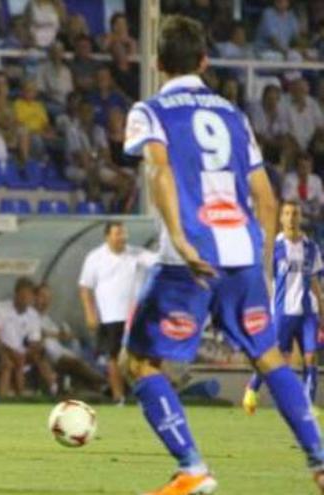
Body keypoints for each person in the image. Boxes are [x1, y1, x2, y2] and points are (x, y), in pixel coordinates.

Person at [123, 15, 324, 494]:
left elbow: (160, 173)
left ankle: (192, 467)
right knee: (269, 357)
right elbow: (266, 196)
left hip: (187, 260)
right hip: (243, 254)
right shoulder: (233, 115)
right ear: (205, 61)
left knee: (140, 364)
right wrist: (265, 266)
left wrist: (183, 238)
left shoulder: (150, 111)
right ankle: (319, 460)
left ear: (156, 62)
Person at [244, 201, 324, 415]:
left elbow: (315, 280)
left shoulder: (311, 248)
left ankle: (306, 404)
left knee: (310, 356)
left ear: (300, 218)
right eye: (287, 214)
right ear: (281, 218)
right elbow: (262, 279)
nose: (291, 218)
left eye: (295, 214)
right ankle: (252, 388)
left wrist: (323, 310)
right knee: (274, 356)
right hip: (281, 312)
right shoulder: (274, 249)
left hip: (308, 312)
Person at [79, 222, 155, 404]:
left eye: (124, 233)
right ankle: (118, 397)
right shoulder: (95, 257)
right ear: (107, 236)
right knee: (112, 357)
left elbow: (158, 260)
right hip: (110, 315)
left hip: (134, 315)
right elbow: (85, 287)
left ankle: (142, 397)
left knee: (139, 357)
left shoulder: (136, 254)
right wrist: (90, 313)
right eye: (118, 234)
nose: (122, 237)